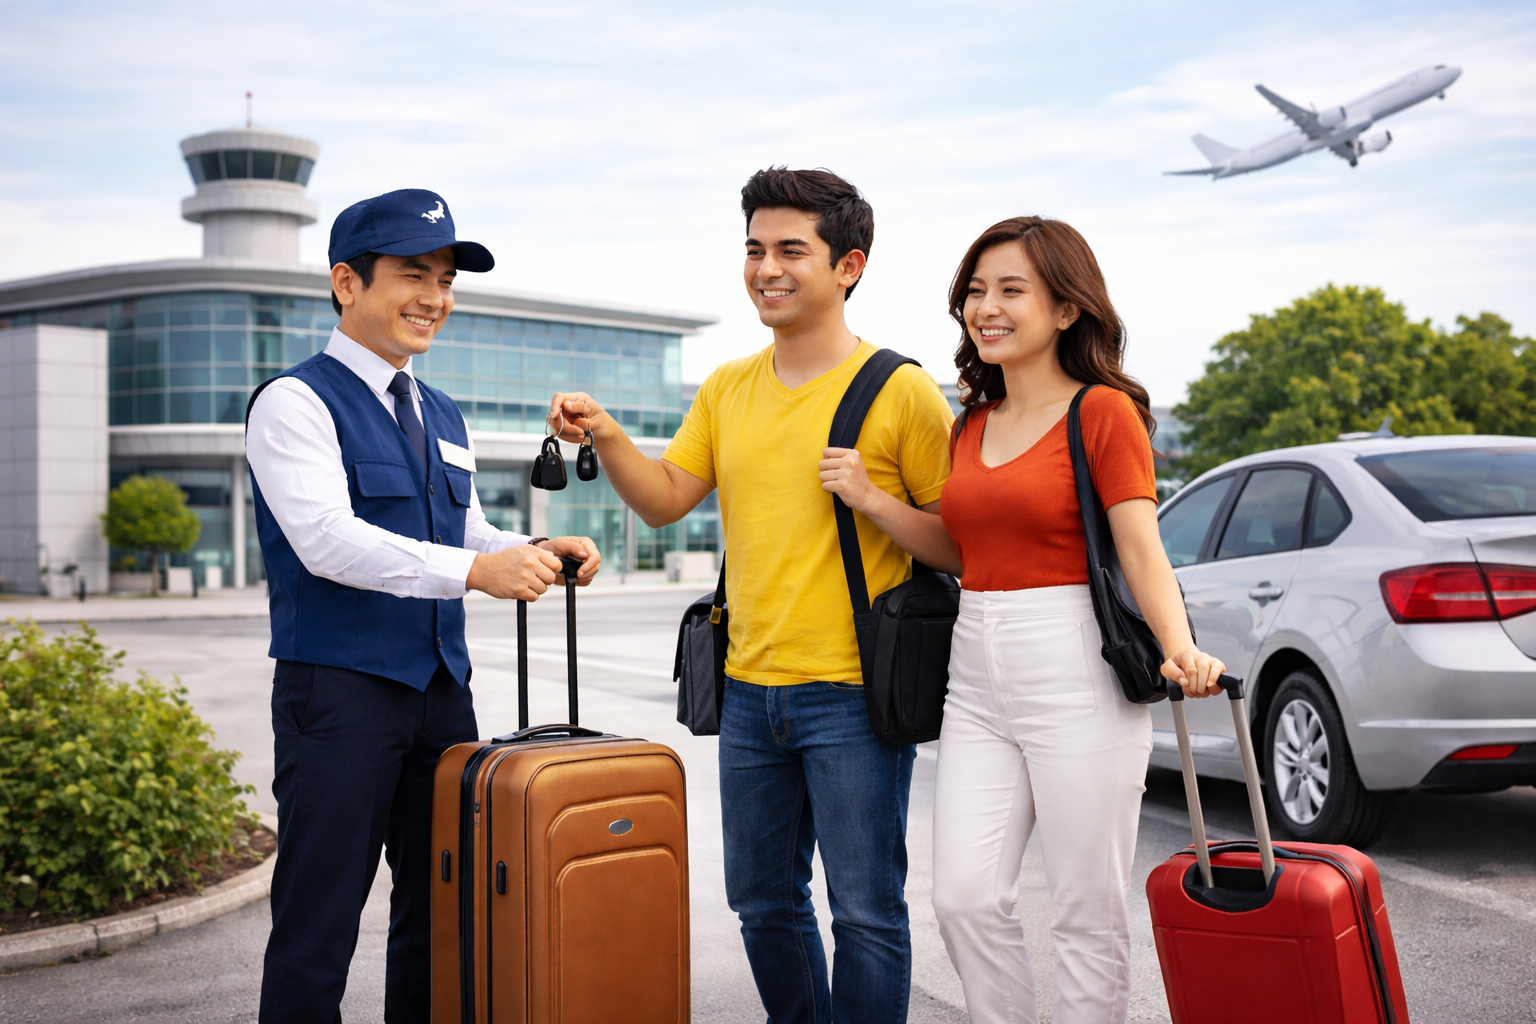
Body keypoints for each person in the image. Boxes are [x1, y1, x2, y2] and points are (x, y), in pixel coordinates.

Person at [547, 168, 954, 1023]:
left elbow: (958, 546)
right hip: (748, 690)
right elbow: (664, 500)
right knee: (762, 905)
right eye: (754, 249)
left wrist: (874, 500)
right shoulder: (730, 386)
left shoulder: (901, 390)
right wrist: (611, 433)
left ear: (850, 265)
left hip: (854, 694)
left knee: (867, 913)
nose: (767, 267)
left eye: (790, 251)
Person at [821, 215, 1225, 1024]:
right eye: (976, 291)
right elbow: (962, 550)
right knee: (965, 899)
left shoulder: (1102, 413)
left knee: (1085, 907)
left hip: (1076, 665)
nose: (987, 307)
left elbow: (1141, 551)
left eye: (1012, 290)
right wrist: (873, 501)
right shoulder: (971, 421)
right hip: (976, 667)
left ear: (1067, 308)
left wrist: (1181, 649)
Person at [246, 188, 600, 1024]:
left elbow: (465, 527)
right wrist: (479, 574)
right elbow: (327, 541)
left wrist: (534, 550)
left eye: (444, 279)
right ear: (346, 283)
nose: (435, 297)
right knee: (317, 923)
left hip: (442, 695)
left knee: (446, 918)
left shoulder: (439, 409)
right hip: (337, 695)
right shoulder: (294, 402)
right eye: (413, 274)